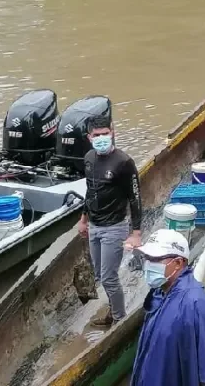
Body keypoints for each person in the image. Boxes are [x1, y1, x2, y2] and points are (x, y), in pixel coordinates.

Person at [131, 229, 205, 386]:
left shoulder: (196, 305)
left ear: (178, 263)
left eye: (155, 259)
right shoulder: (159, 294)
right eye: (147, 258)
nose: (148, 265)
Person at [77, 115, 142, 327]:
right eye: (97, 135)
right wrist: (83, 219)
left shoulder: (124, 162)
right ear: (89, 137)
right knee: (99, 274)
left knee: (108, 277)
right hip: (95, 226)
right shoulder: (88, 158)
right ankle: (114, 311)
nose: (102, 138)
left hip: (115, 227)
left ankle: (119, 319)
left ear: (112, 132)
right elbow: (90, 191)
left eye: (105, 133)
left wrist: (136, 232)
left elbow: (135, 197)